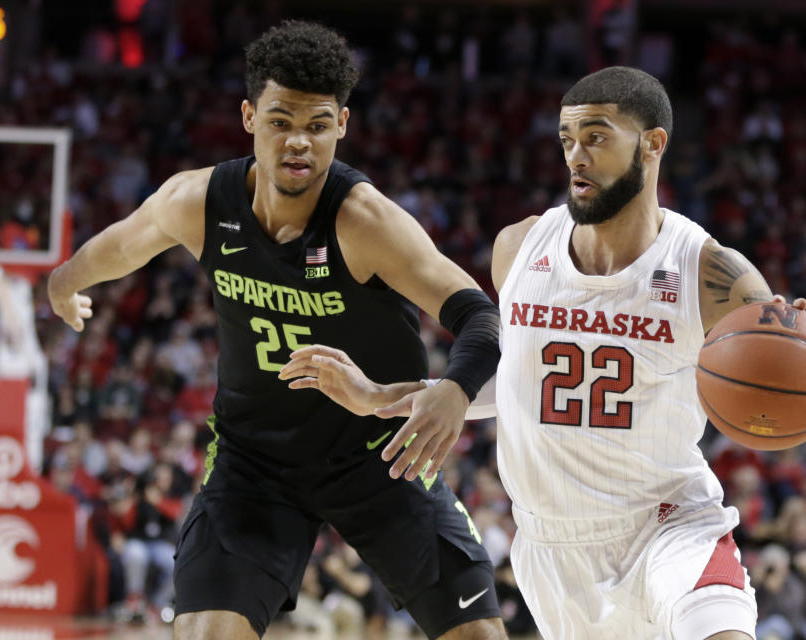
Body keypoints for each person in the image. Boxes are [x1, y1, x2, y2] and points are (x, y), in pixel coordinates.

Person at [282, 66, 806, 640]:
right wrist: (388, 396)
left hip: (669, 529)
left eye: (597, 137)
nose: (576, 155)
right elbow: (517, 385)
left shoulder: (709, 271)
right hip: (551, 550)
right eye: (567, 139)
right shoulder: (519, 247)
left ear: (653, 145)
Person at [47, 20, 505, 640]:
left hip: (378, 455)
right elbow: (120, 247)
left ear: (342, 126)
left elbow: (479, 315)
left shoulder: (367, 222)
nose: (298, 142)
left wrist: (453, 390)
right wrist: (64, 282)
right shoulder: (198, 201)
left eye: (318, 125)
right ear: (248, 116)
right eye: (280, 120)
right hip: (255, 461)